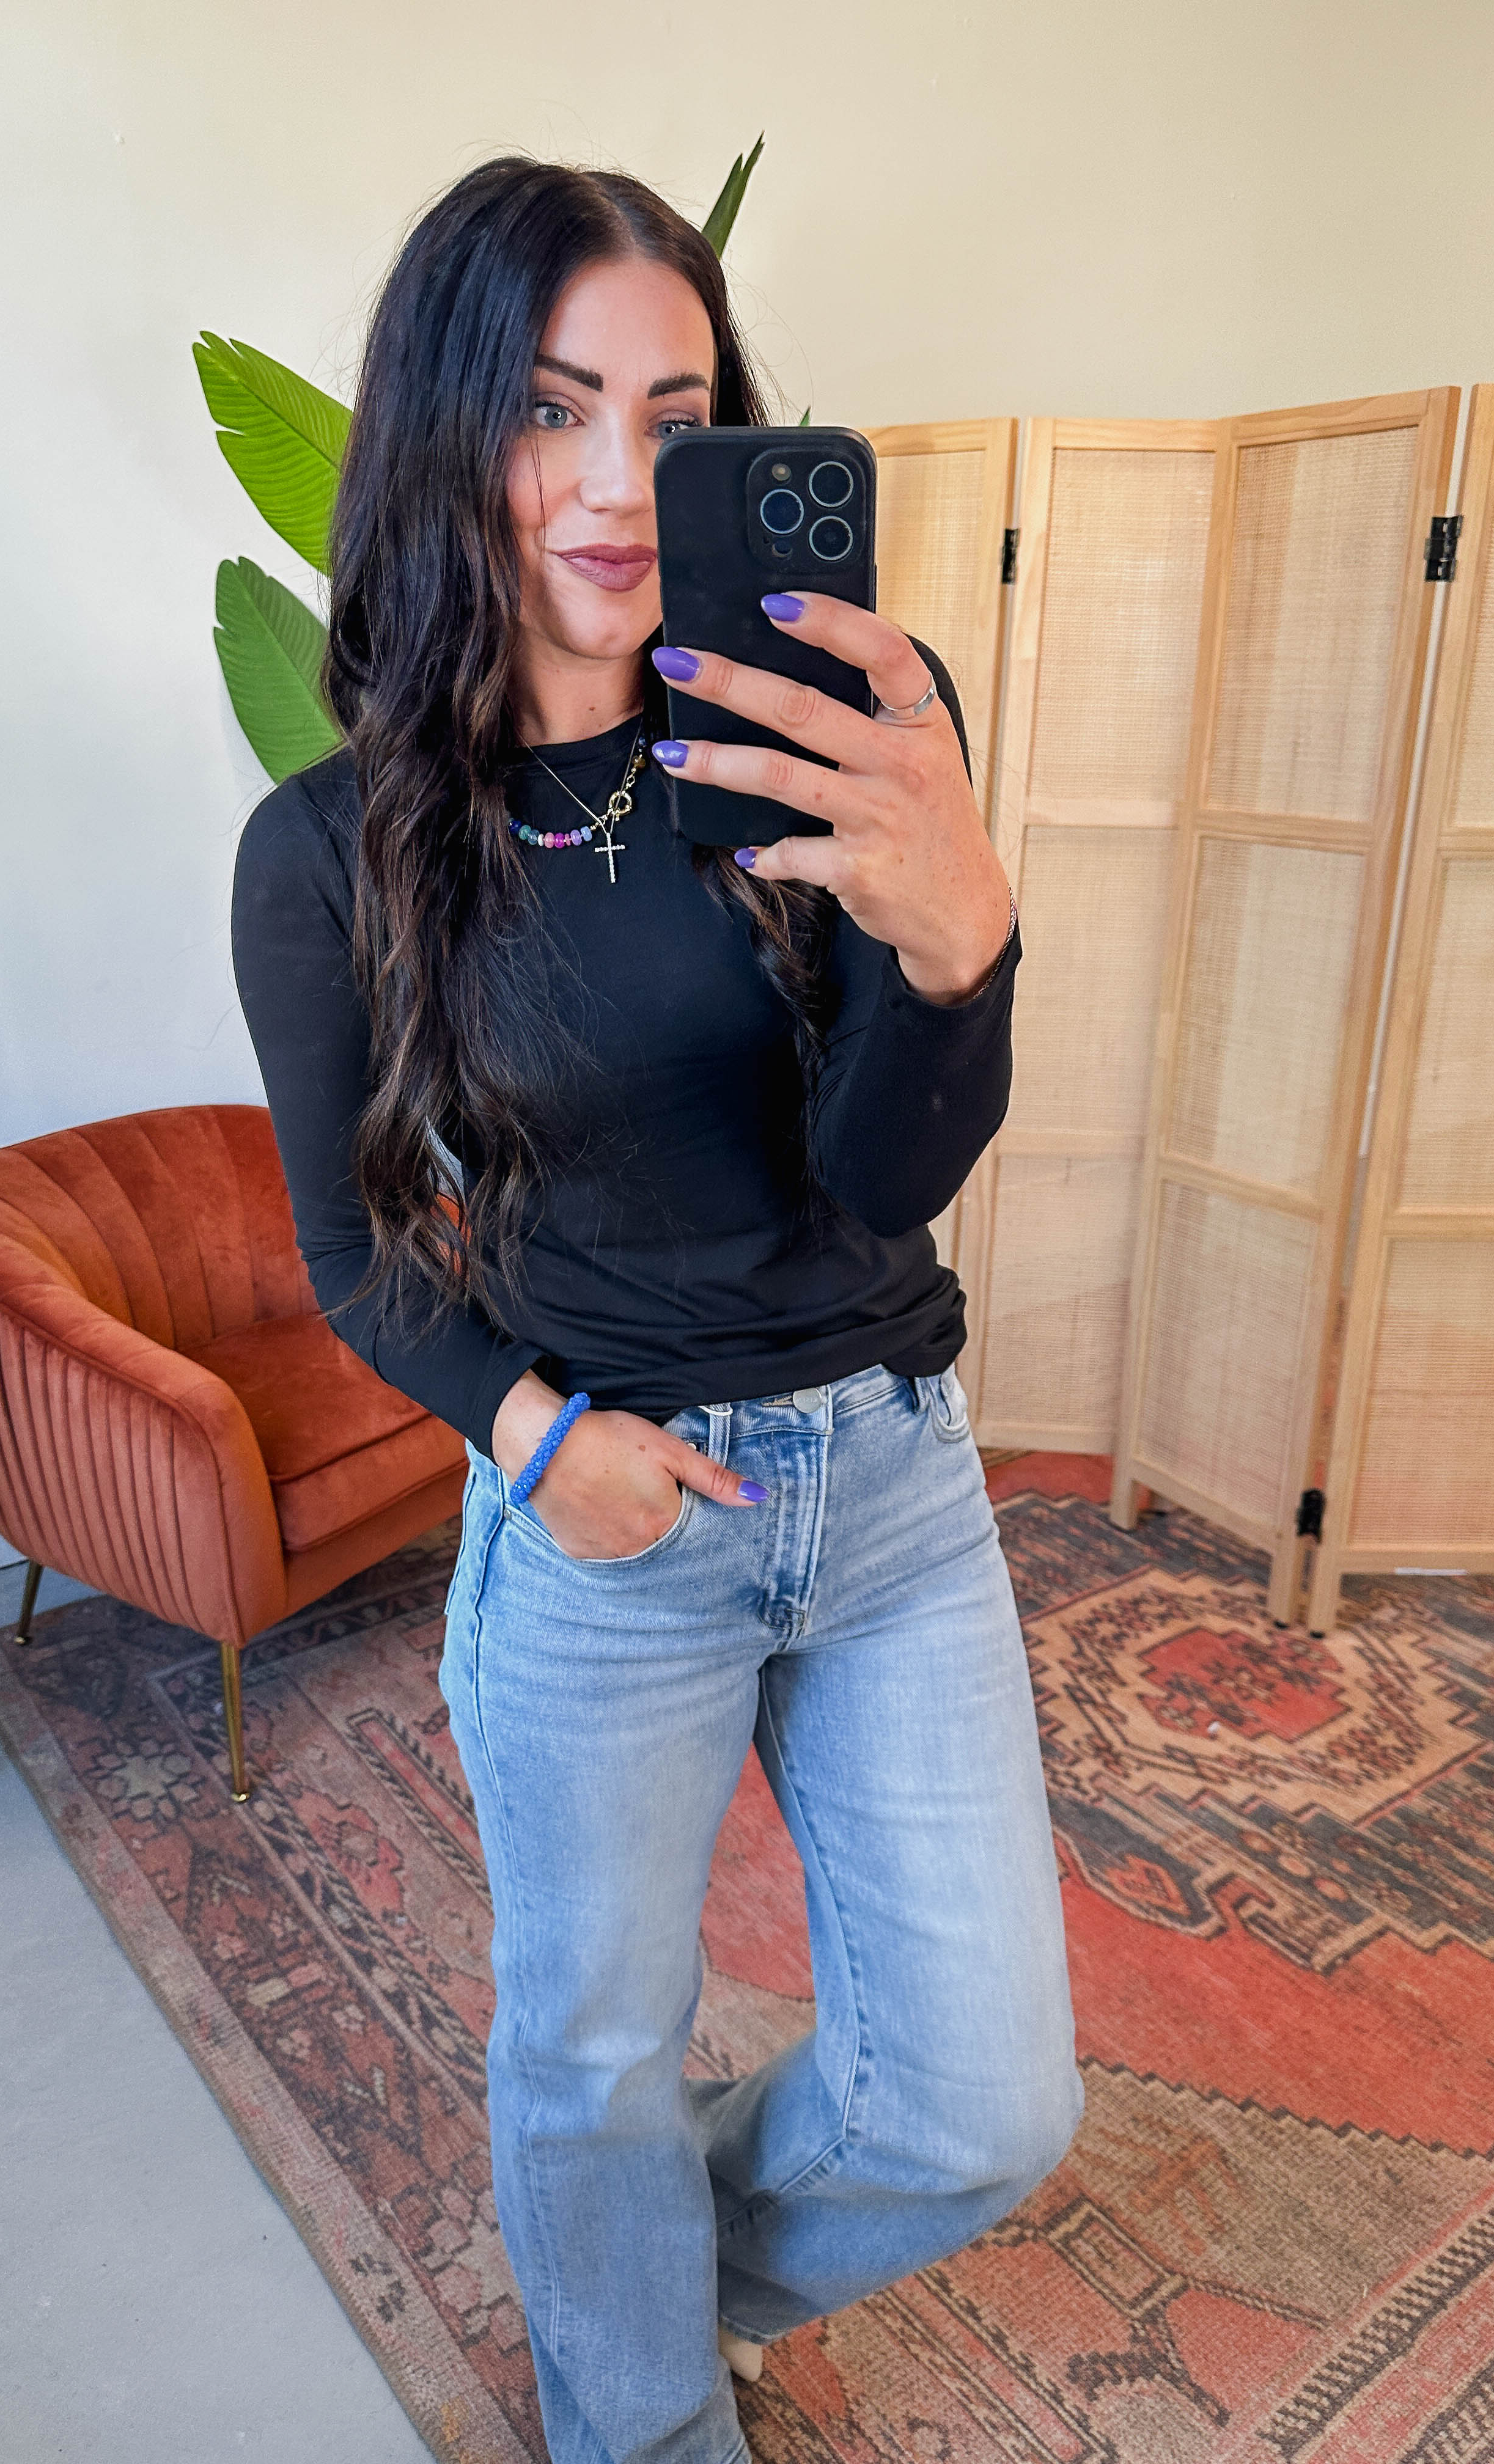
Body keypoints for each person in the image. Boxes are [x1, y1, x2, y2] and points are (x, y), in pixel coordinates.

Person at [232, 153, 1081, 2464]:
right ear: (449, 432)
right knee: (592, 2054)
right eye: (552, 409)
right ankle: (637, 2407)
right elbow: (353, 1253)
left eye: (674, 417)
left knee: (987, 2105)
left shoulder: (836, 731)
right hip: (611, 1519)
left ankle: (627, 2268)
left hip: (892, 1487)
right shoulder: (334, 851)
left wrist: (961, 943)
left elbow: (887, 1174)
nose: (618, 483)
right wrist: (537, 1442)